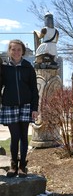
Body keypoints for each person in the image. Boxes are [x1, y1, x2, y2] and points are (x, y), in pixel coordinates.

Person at [0, 39, 39, 178]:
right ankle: (13, 165)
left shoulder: (28, 67)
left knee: (23, 137)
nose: (16, 52)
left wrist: (35, 108)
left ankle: (22, 166)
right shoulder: (4, 68)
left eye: (19, 49)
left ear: (23, 51)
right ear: (9, 51)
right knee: (14, 136)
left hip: (26, 105)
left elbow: (34, 89)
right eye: (13, 49)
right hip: (9, 105)